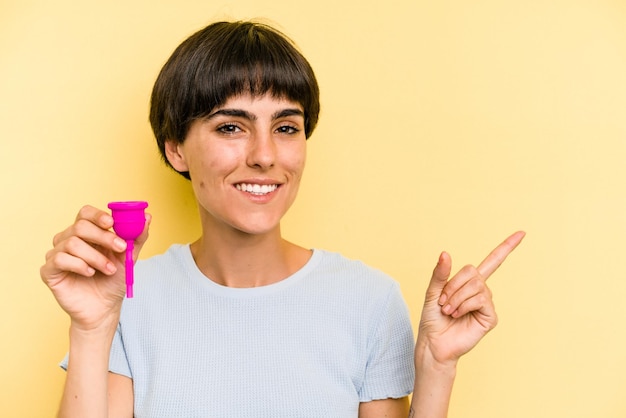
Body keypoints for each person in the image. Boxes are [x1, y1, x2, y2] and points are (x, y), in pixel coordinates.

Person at [40, 20, 525, 418]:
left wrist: (436, 366)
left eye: (286, 127)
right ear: (176, 149)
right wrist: (91, 330)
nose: (265, 156)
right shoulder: (128, 298)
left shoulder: (369, 301)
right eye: (231, 127)